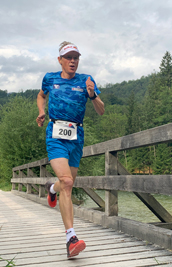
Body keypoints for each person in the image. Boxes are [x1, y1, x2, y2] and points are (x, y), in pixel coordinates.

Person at [36, 41, 105, 258]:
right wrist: (41, 111)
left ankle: (52, 189)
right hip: (55, 133)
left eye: (76, 57)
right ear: (60, 60)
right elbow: (41, 95)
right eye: (69, 57)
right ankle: (71, 238)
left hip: (76, 136)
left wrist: (93, 95)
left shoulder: (87, 80)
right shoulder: (50, 78)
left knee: (67, 184)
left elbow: (101, 111)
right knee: (67, 181)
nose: (73, 61)